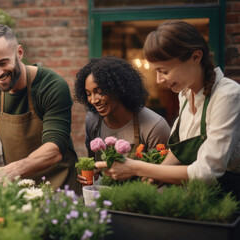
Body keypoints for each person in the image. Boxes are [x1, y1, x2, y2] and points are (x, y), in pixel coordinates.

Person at [95, 20, 240, 199]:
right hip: (198, 199)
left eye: (164, 71)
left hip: (229, 202)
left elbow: (207, 173)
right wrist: (152, 178)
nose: (158, 80)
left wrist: (134, 167)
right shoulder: (184, 95)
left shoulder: (227, 95)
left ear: (196, 57)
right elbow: (178, 152)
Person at [0, 24, 80, 193]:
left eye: (3, 63)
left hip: (61, 192)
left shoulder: (51, 86)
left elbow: (54, 149)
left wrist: (9, 171)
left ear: (19, 53)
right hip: (18, 193)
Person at [74, 56, 171, 185]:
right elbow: (94, 164)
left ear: (118, 89)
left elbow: (160, 177)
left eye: (100, 92)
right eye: (88, 94)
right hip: (104, 196)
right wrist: (90, 172)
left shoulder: (154, 125)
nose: (93, 100)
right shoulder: (93, 121)